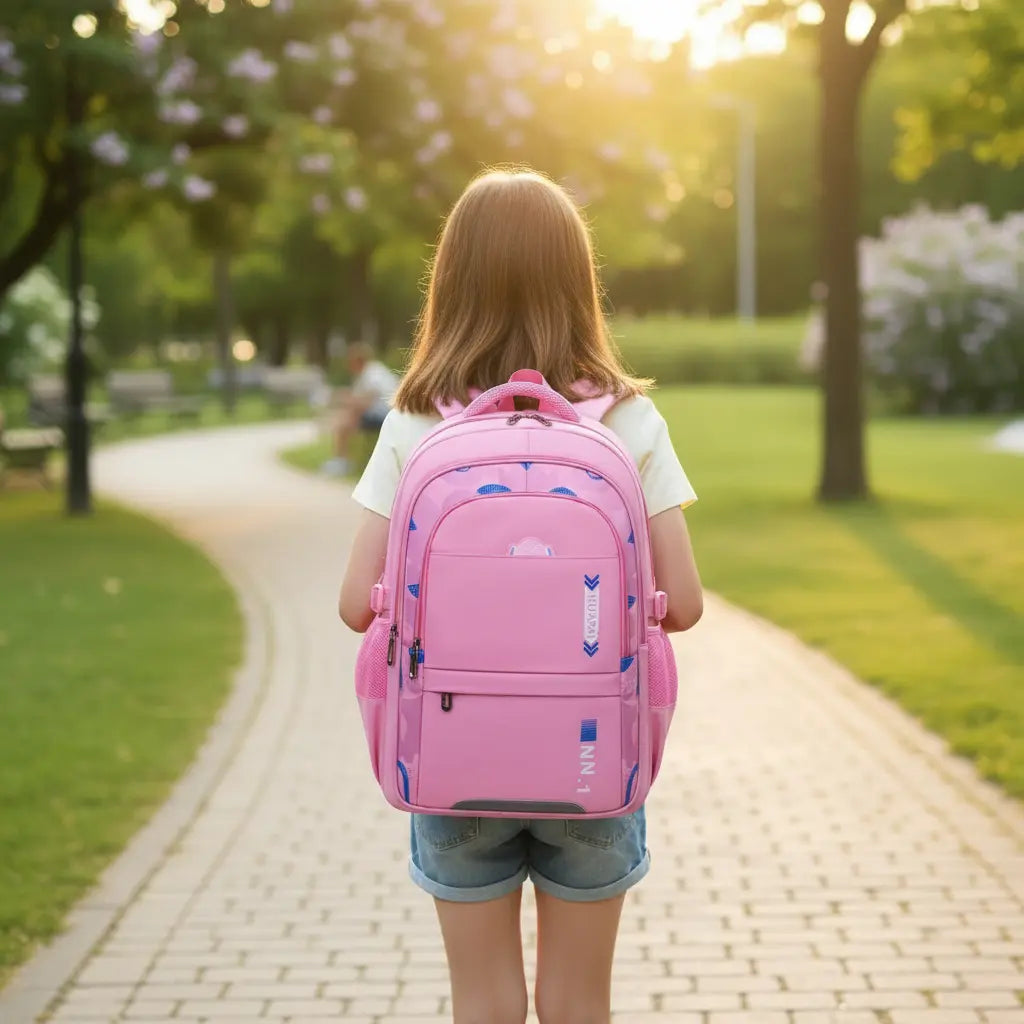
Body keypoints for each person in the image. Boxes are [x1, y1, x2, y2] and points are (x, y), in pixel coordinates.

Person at [338, 168, 703, 1024]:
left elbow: (359, 602)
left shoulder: (417, 420)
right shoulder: (628, 422)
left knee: (484, 1003)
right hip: (591, 752)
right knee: (580, 1003)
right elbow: (681, 602)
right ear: (579, 281)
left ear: (451, 281)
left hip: (454, 756)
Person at [320, 341, 399, 476]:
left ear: (357, 361)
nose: (349, 366)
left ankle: (342, 461)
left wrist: (344, 398)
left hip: (385, 416)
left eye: (350, 362)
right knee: (346, 417)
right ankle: (342, 459)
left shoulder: (373, 374)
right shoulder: (370, 372)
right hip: (385, 414)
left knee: (346, 420)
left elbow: (366, 401)